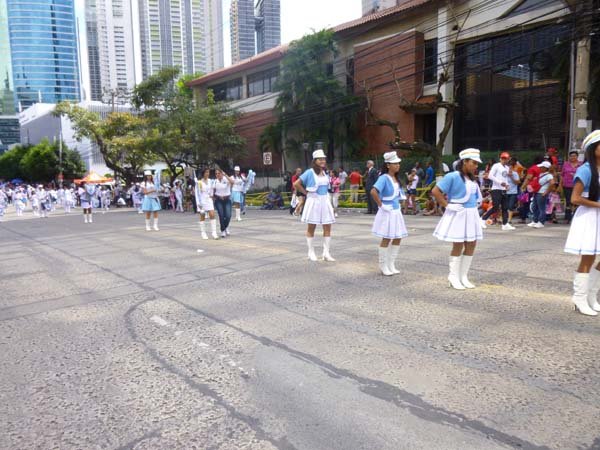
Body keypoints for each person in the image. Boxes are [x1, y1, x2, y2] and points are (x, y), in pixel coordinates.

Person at [432, 148, 484, 290]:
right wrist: (447, 205)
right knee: (458, 244)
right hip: (459, 213)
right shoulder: (453, 176)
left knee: (472, 243)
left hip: (471, 214)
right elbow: (435, 191)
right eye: (473, 162)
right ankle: (453, 276)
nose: (476, 166)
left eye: (477, 163)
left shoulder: (472, 179)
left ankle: (463, 276)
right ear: (464, 162)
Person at [564, 130, 600, 316]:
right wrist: (598, 205)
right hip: (589, 216)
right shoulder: (585, 170)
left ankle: (592, 296)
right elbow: (575, 198)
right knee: (588, 258)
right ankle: (579, 298)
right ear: (593, 148)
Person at [293, 149, 336, 262]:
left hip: (325, 200)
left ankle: (326, 253)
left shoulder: (325, 172)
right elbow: (296, 184)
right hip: (314, 201)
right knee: (311, 227)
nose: (322, 161)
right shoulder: (309, 172)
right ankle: (310, 252)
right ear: (315, 161)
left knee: (327, 226)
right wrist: (306, 193)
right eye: (320, 159)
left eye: (323, 159)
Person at [370, 151, 408, 276]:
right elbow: (373, 191)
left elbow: (399, 194)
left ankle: (391, 264)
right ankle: (383, 265)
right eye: (395, 163)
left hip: (396, 212)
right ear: (388, 165)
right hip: (387, 211)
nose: (397, 165)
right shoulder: (384, 178)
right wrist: (381, 205)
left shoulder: (396, 178)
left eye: (398, 163)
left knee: (398, 237)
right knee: (387, 237)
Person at [480, 152, 515, 231]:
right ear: (500, 158)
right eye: (503, 158)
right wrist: (500, 182)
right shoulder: (496, 165)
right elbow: (490, 176)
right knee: (495, 207)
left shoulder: (506, 167)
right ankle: (482, 219)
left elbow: (505, 178)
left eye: (506, 158)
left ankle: (505, 224)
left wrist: (507, 185)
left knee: (505, 207)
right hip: (496, 189)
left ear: (508, 159)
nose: (504, 160)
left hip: (504, 189)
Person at [528, 161, 554, 228]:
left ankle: (541, 222)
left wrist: (546, 192)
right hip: (536, 192)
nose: (540, 168)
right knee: (534, 207)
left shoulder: (549, 175)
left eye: (541, 167)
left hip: (542, 192)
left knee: (541, 208)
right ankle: (535, 220)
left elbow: (552, 183)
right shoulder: (540, 174)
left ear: (545, 168)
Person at [195, 168, 218, 240]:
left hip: (209, 199)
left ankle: (214, 232)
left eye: (208, 172)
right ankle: (203, 233)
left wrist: (211, 195)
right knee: (203, 216)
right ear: (203, 173)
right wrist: (198, 203)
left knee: (212, 214)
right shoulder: (199, 182)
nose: (207, 174)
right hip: (202, 200)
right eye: (206, 172)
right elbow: (197, 194)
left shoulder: (210, 181)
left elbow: (211, 189)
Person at [560, 150, 582, 223]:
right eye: (571, 156)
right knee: (568, 201)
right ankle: (568, 217)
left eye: (574, 156)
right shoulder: (566, 164)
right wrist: (560, 185)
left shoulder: (581, 164)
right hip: (567, 185)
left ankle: (577, 217)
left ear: (577, 156)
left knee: (576, 201)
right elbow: (562, 175)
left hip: (578, 185)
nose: (572, 157)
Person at [213, 168, 235, 238]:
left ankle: (226, 226)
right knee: (221, 215)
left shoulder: (226, 179)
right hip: (219, 200)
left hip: (227, 199)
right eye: (216, 174)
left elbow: (232, 182)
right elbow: (213, 191)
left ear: (221, 173)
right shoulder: (215, 181)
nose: (217, 175)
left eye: (218, 173)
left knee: (228, 215)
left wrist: (225, 175)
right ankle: (223, 230)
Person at [506, 157, 521, 225]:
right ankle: (504, 219)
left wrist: (511, 177)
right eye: (508, 167)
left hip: (513, 192)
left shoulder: (515, 174)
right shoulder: (504, 174)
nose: (509, 169)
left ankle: (509, 220)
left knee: (511, 206)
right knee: (505, 206)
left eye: (511, 167)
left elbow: (518, 183)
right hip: (505, 192)